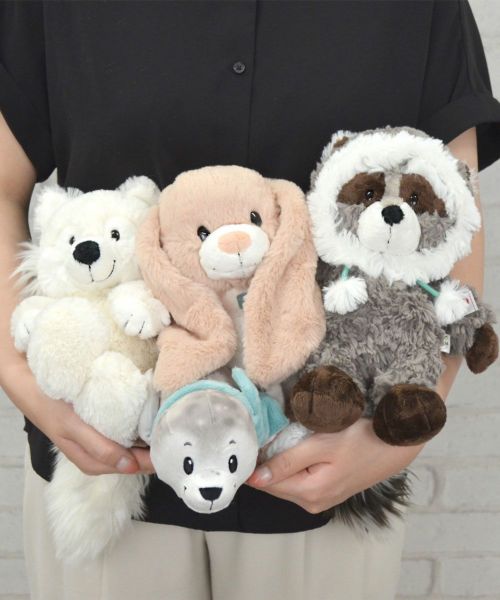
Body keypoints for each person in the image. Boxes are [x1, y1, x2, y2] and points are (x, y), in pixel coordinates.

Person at [1, 1, 499, 599]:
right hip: (108, 466)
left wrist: (397, 432)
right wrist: (21, 376)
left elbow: (454, 207)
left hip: (329, 466)